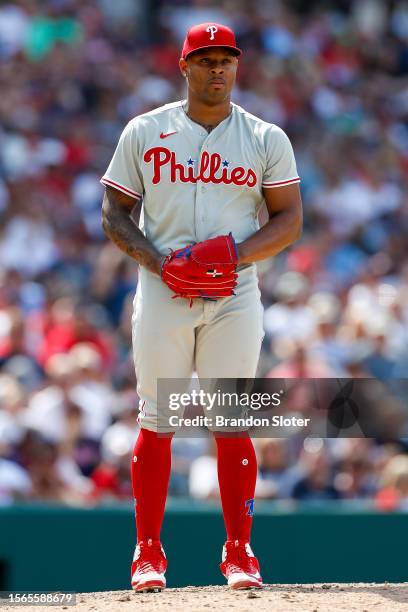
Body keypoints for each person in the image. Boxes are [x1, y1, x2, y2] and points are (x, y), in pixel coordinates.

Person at [101, 22, 302, 592]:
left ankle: (239, 551)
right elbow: (114, 214)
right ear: (183, 66)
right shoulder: (145, 131)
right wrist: (159, 262)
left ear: (237, 66)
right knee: (156, 419)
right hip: (163, 288)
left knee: (232, 418)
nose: (218, 68)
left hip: (234, 292)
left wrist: (234, 256)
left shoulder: (265, 137)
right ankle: (147, 553)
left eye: (226, 58)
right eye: (206, 58)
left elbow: (289, 219)